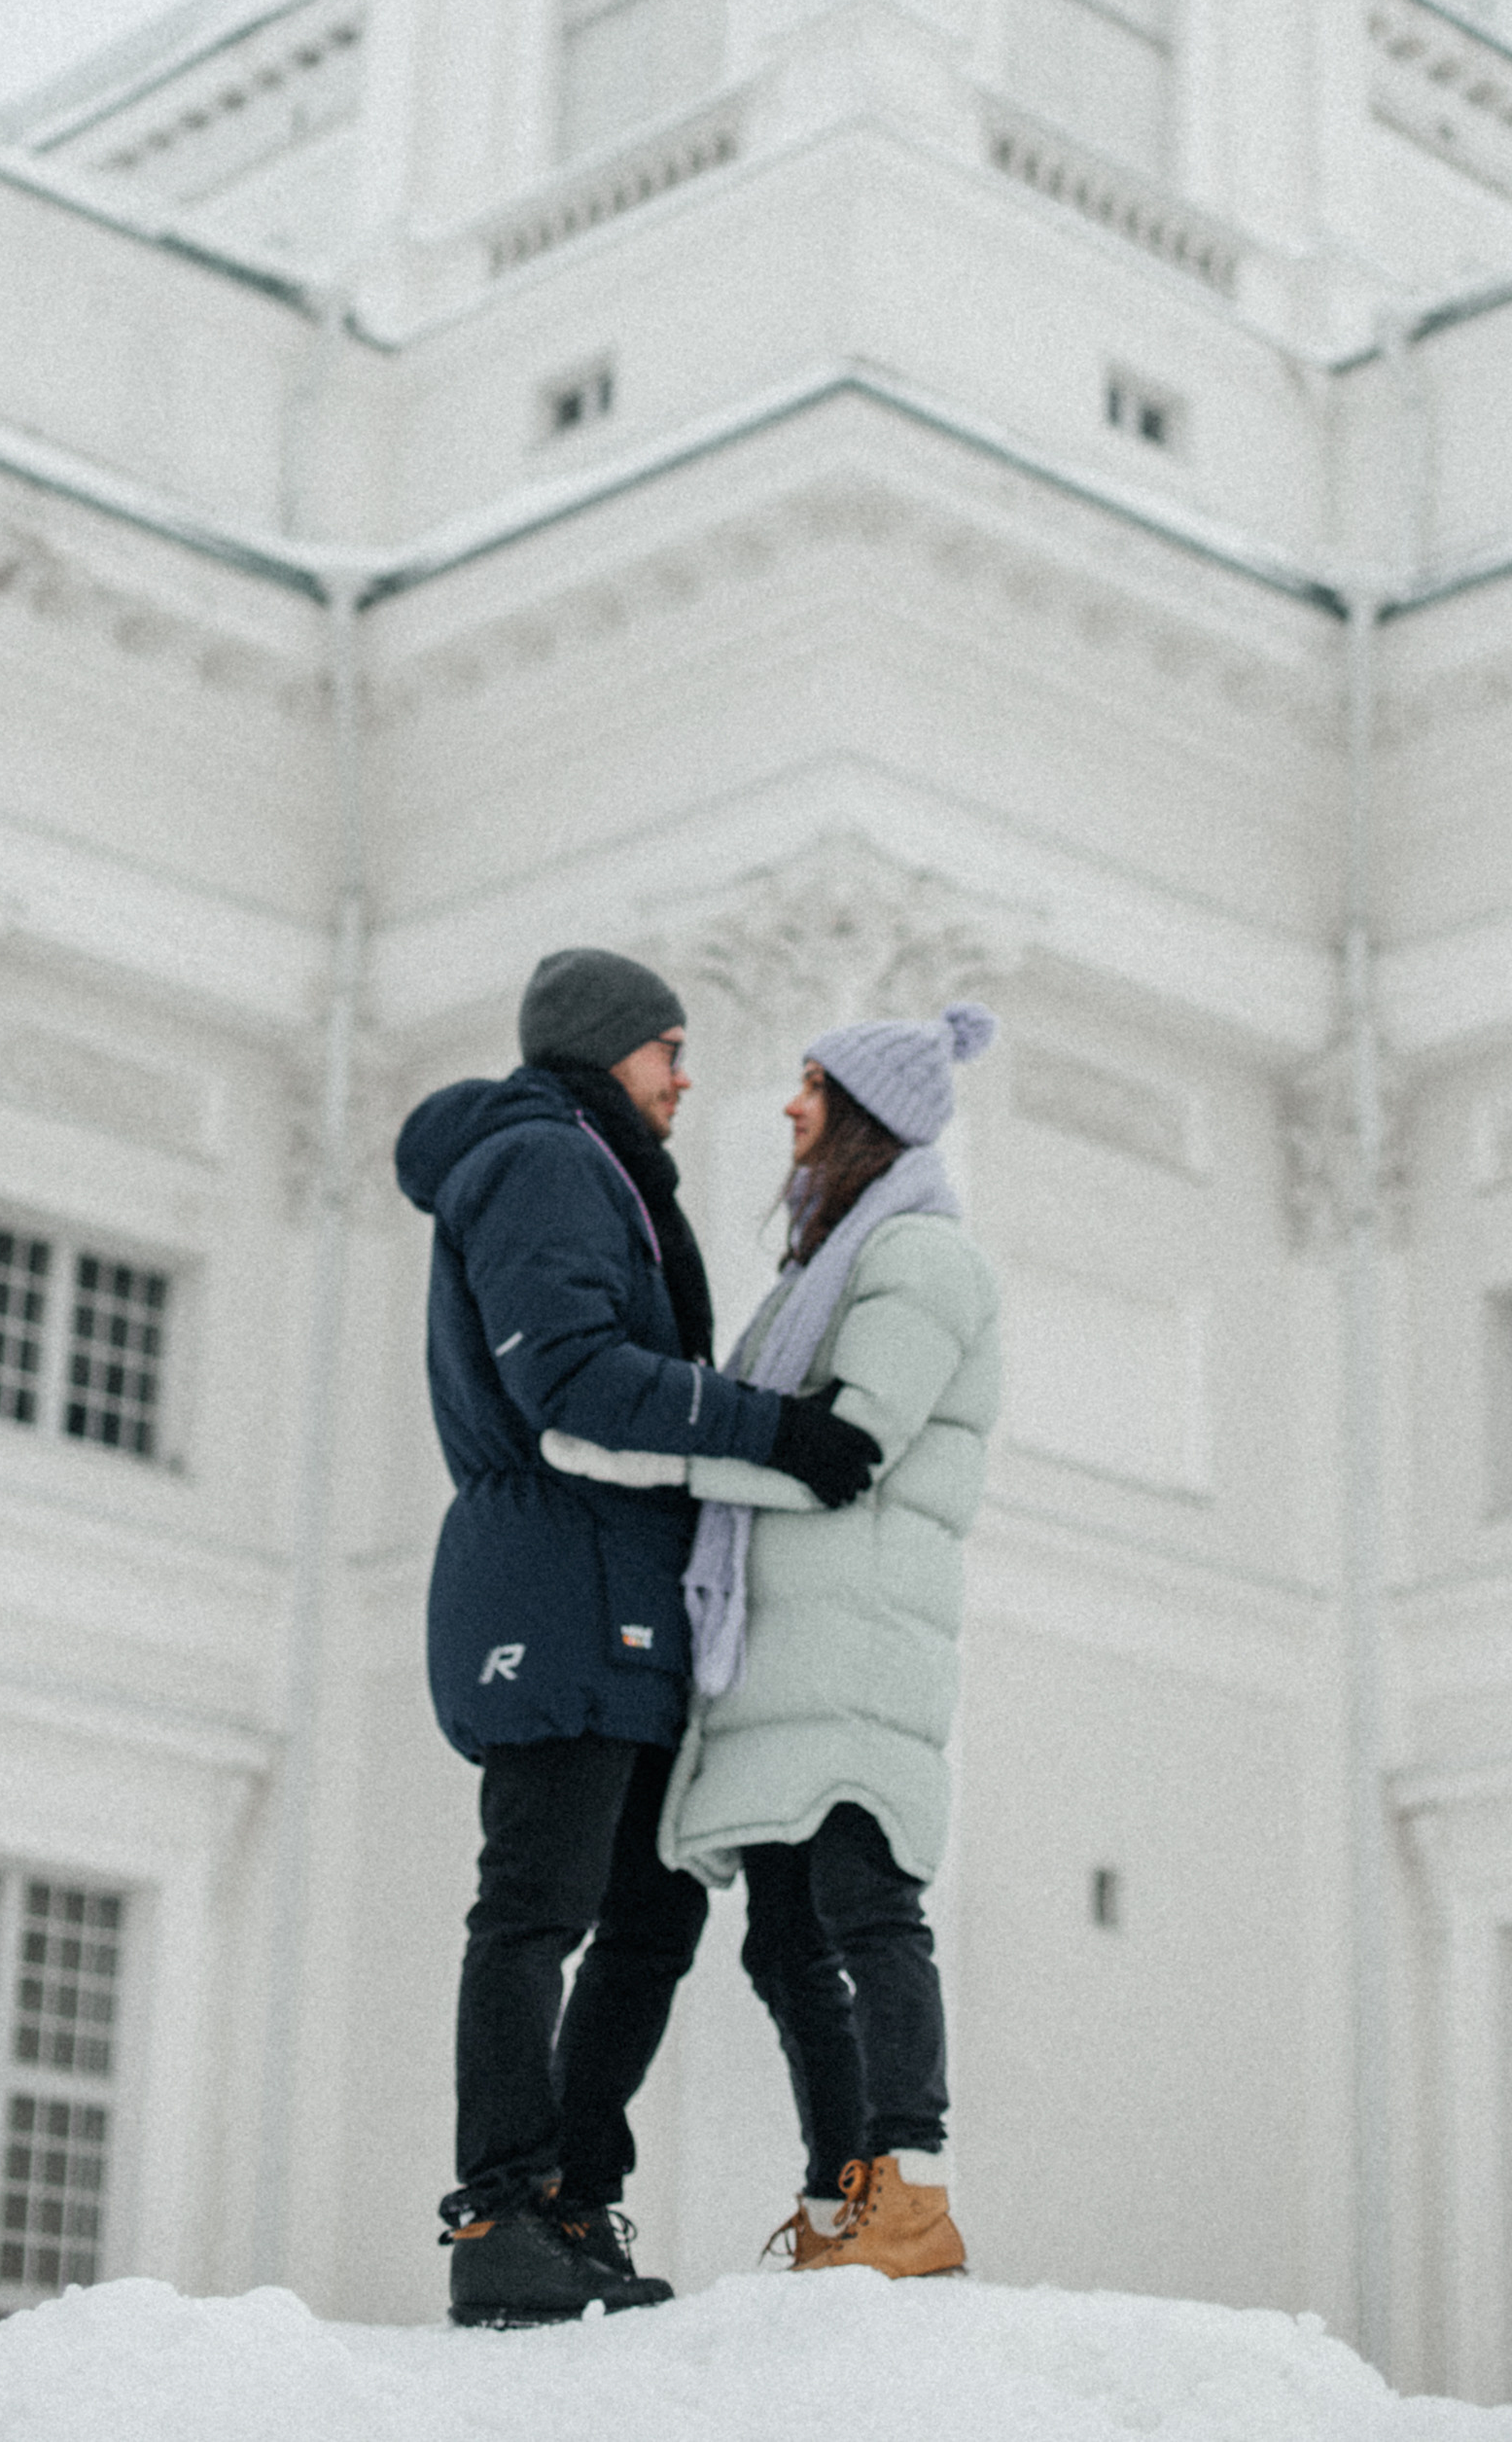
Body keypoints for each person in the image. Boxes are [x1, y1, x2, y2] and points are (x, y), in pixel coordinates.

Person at [394, 946, 882, 2330]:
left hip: (612, 1579)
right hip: (554, 1570)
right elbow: (570, 1379)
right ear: (608, 1050)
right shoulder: (543, 1159)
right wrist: (769, 1429)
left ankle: (566, 2196)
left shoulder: (583, 1163)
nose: (683, 1076)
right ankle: (499, 2208)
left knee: (655, 1904)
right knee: (536, 1901)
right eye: (668, 1049)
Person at [545, 999, 1000, 2278]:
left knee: (865, 1906)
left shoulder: (918, 1259)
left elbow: (845, 1451)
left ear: (868, 1119)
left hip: (851, 1639)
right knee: (786, 1938)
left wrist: (661, 1460)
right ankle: (840, 2196)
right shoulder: (826, 1267)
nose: (789, 1109)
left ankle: (906, 2191)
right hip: (792, 1642)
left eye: (812, 1089)